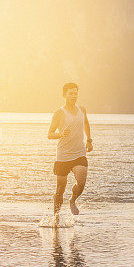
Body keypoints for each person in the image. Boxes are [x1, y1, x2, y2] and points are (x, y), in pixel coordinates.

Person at [47, 83, 92, 216]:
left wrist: (89, 140)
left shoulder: (82, 110)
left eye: (75, 93)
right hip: (63, 155)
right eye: (71, 93)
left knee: (82, 182)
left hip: (79, 153)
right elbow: (50, 134)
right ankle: (56, 217)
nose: (74, 96)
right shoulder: (59, 113)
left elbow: (86, 123)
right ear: (64, 95)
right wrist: (61, 134)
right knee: (60, 189)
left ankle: (73, 200)